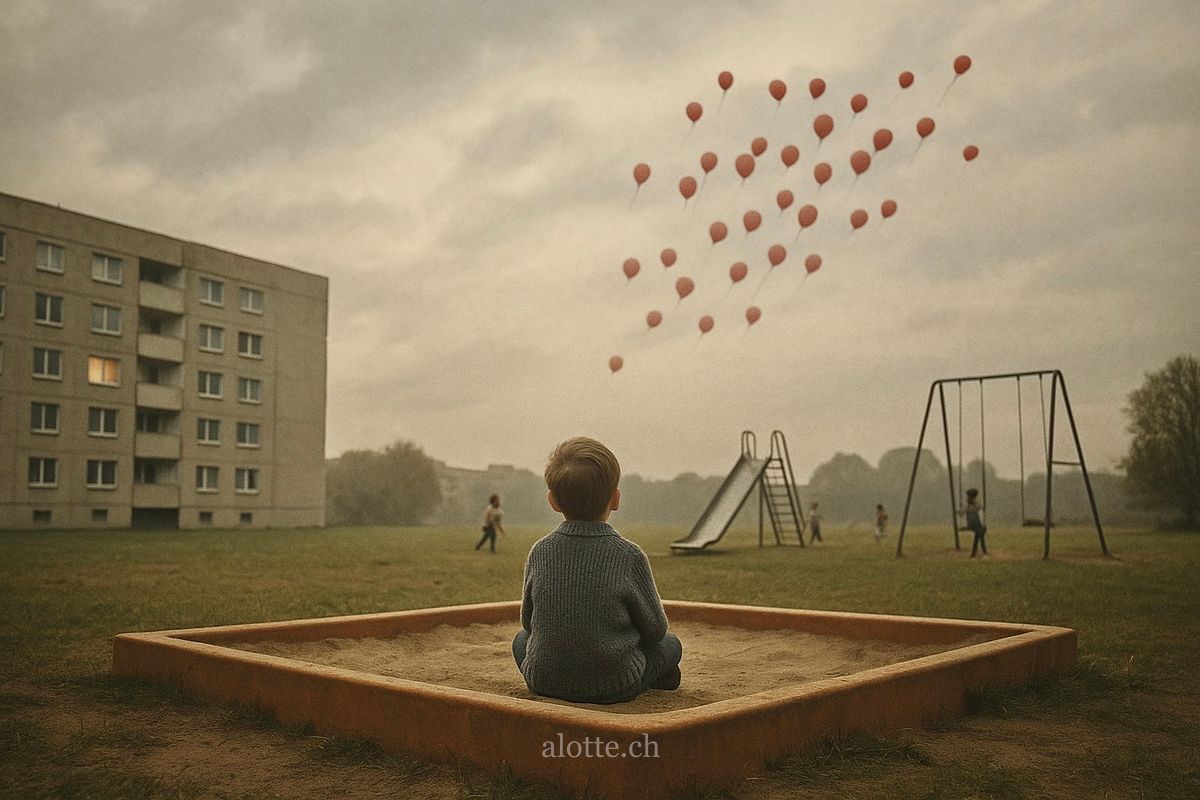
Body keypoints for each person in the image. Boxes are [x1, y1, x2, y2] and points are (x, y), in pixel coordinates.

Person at [512, 437, 682, 704]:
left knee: (520, 641)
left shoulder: (540, 551)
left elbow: (527, 623)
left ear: (553, 501)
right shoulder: (629, 555)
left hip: (544, 681)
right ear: (615, 498)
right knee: (671, 646)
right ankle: (657, 679)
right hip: (613, 685)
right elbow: (655, 630)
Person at [960, 488, 988, 558]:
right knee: (980, 535)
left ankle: (976, 554)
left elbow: (981, 516)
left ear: (973, 498)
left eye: (969, 497)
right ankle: (982, 553)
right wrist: (962, 510)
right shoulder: (968, 506)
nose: (967, 498)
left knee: (979, 535)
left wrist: (983, 525)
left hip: (979, 525)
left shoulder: (978, 506)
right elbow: (961, 514)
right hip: (973, 525)